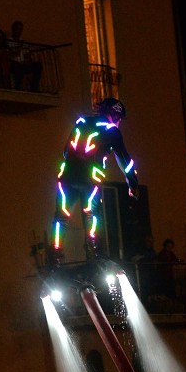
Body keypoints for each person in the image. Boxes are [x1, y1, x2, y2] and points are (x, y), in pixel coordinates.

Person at [52, 98, 139, 262]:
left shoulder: (82, 122)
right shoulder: (112, 130)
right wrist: (133, 184)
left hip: (67, 176)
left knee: (61, 216)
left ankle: (55, 254)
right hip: (90, 178)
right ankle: (94, 252)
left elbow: (65, 151)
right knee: (91, 214)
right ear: (114, 115)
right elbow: (125, 161)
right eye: (119, 118)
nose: (119, 122)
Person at [8, 20, 42, 91]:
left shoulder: (23, 42)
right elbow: (12, 54)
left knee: (38, 65)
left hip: (22, 64)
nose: (19, 31)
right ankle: (18, 87)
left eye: (21, 29)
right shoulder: (9, 41)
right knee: (18, 67)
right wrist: (19, 47)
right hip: (13, 64)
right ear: (13, 29)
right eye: (18, 29)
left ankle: (34, 87)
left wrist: (29, 60)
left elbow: (26, 54)